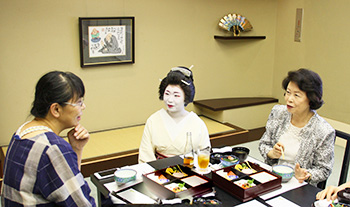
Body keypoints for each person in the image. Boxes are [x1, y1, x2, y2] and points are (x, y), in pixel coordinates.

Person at [1, 71, 96, 206]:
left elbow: (69, 190)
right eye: (79, 102)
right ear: (56, 109)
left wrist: (76, 149)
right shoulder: (52, 148)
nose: (83, 107)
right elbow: (83, 204)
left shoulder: (23, 132)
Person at [258, 68, 335, 186]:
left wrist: (307, 174)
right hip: (272, 178)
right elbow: (263, 143)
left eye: (297, 95)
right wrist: (271, 153)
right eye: (288, 92)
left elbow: (324, 169)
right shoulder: (278, 112)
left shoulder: (323, 131)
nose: (289, 99)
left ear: (311, 99)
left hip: (298, 185)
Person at [138, 66, 211, 163]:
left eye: (176, 95)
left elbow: (204, 153)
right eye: (167, 93)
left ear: (186, 97)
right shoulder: (153, 120)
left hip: (190, 171)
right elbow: (145, 155)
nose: (170, 100)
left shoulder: (197, 123)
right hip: (159, 173)